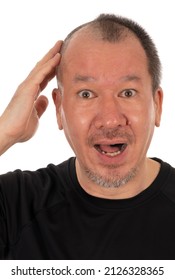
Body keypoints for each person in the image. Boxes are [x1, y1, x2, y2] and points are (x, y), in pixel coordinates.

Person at [0, 13, 174, 260]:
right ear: (59, 109)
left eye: (127, 92)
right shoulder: (14, 205)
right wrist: (4, 132)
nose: (110, 119)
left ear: (156, 104)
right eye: (86, 94)